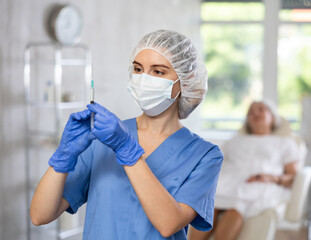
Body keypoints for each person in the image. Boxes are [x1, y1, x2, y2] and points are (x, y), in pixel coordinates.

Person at [30, 30, 223, 240]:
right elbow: (40, 216)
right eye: (138, 69)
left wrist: (127, 150)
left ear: (186, 80)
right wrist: (63, 157)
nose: (144, 79)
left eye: (158, 72)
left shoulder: (205, 156)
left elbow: (169, 224)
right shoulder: (102, 139)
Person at [189, 100, 299, 240]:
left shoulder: (284, 143)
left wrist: (272, 178)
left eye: (260, 110)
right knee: (209, 205)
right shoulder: (235, 140)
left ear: (272, 117)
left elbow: (293, 177)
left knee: (236, 206)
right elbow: (216, 162)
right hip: (228, 180)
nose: (255, 114)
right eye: (251, 112)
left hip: (257, 182)